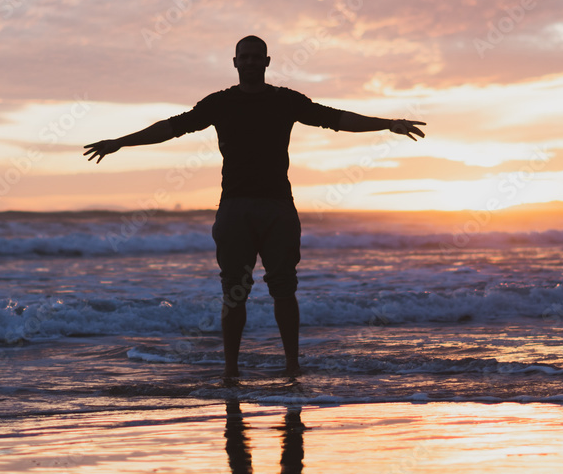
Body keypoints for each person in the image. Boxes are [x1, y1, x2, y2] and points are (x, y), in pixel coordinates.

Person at [84, 35, 425, 378]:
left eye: (255, 57)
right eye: (243, 57)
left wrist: (385, 124)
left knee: (284, 289)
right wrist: (121, 142)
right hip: (235, 208)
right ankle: (230, 370)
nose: (249, 62)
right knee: (234, 293)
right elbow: (172, 128)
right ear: (235, 62)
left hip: (278, 208)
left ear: (267, 61)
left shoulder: (285, 100)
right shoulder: (219, 103)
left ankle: (293, 366)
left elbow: (334, 117)